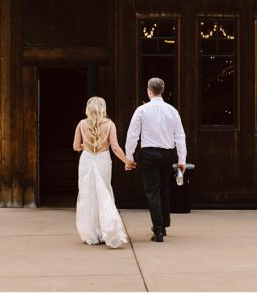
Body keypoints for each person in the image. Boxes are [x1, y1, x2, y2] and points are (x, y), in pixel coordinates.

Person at [125, 78, 187, 243]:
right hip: (167, 154)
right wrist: (182, 159)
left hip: (149, 154)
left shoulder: (142, 110)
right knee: (163, 188)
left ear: (149, 91)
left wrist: (129, 157)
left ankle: (158, 230)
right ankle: (164, 223)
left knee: (153, 191)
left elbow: (132, 135)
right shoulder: (172, 111)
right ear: (162, 90)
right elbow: (180, 137)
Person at [72, 96, 130, 248]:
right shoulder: (110, 125)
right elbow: (115, 148)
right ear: (103, 108)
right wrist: (127, 161)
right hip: (103, 160)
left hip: (86, 160)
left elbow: (75, 147)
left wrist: (86, 146)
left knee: (87, 194)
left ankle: (91, 233)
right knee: (104, 193)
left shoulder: (81, 124)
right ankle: (107, 230)